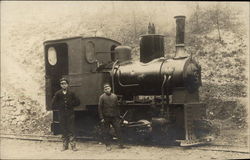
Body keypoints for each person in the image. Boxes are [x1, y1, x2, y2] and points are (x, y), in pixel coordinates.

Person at [51, 78, 80, 151]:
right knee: (63, 130)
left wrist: (71, 104)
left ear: (67, 84)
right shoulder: (58, 93)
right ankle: (65, 146)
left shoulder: (72, 93)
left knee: (71, 129)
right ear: (60, 85)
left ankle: (73, 146)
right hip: (62, 114)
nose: (63, 85)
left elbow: (78, 102)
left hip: (70, 114)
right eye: (62, 84)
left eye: (65, 83)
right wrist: (60, 106)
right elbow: (53, 103)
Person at [98, 84, 125, 150]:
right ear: (104, 90)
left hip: (114, 117)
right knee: (106, 131)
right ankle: (108, 145)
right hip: (106, 117)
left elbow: (117, 107)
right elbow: (99, 108)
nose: (107, 90)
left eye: (108, 88)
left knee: (118, 129)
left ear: (110, 89)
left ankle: (121, 144)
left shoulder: (114, 96)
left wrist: (118, 116)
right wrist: (101, 118)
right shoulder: (102, 97)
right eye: (106, 89)